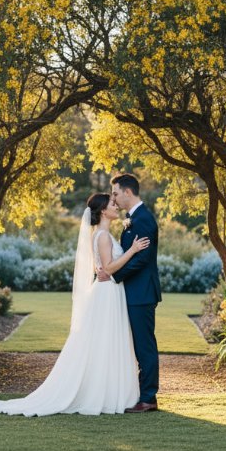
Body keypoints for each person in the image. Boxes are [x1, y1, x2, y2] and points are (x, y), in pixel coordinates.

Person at [0, 193, 149, 416]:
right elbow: (109, 268)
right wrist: (133, 250)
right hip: (108, 294)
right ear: (103, 210)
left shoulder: (101, 234)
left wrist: (109, 267)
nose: (116, 206)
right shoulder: (102, 236)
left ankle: (110, 391)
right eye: (112, 204)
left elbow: (102, 268)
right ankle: (106, 394)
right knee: (106, 341)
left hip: (110, 290)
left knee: (106, 342)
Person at [98, 173, 161, 413]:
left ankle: (148, 398)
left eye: (115, 193)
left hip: (141, 293)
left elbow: (141, 259)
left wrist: (113, 275)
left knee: (144, 346)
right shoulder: (132, 219)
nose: (113, 198)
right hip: (133, 292)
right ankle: (138, 394)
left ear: (127, 192)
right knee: (135, 345)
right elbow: (126, 255)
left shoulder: (143, 219)